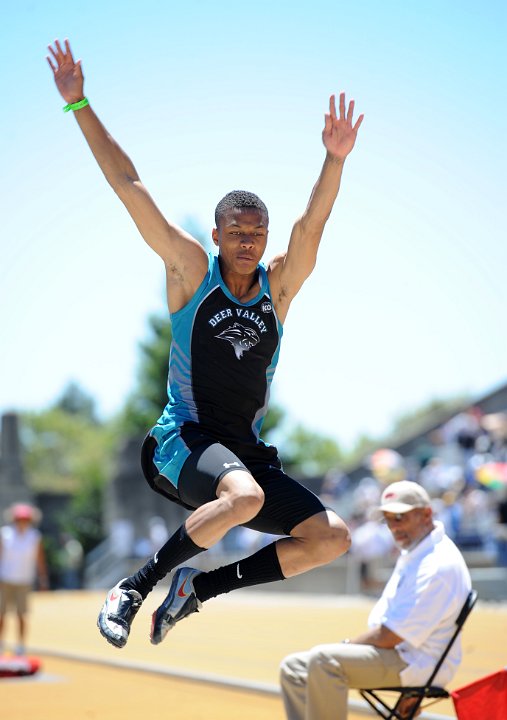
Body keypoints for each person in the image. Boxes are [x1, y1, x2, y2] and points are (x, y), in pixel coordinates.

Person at [47, 39, 363, 650]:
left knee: (332, 537)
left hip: (243, 449)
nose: (247, 242)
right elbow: (128, 183)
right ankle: (132, 589)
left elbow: (313, 225)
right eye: (236, 232)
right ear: (217, 235)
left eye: (257, 233)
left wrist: (334, 161)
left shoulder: (279, 286)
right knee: (242, 496)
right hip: (184, 442)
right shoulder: (192, 270)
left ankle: (199, 590)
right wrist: (78, 103)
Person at [280, 480, 472, 720]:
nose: (393, 527)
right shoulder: (420, 551)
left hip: (415, 661)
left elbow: (389, 636)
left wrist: (346, 646)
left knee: (324, 660)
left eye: (400, 517)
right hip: (404, 653)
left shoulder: (436, 564)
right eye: (388, 519)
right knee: (293, 667)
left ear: (426, 514)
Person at [0, 503, 49, 656]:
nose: (22, 522)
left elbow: (40, 559)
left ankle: (20, 645)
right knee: (1, 614)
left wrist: (43, 578)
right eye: (20, 519)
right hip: (5, 580)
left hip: (24, 581)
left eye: (25, 519)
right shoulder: (5, 534)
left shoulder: (34, 536)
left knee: (22, 614)